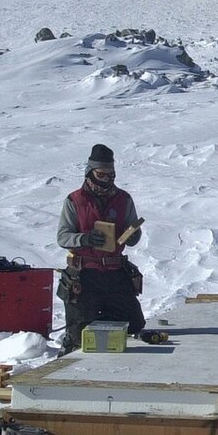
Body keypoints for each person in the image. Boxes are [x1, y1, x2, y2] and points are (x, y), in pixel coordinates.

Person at [55, 144, 145, 354]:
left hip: (115, 272)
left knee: (134, 324)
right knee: (80, 335)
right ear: (90, 173)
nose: (108, 179)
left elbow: (133, 236)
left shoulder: (124, 199)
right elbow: (62, 237)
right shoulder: (74, 201)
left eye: (111, 174)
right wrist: (84, 239)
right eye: (102, 175)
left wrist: (132, 235)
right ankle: (73, 339)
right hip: (85, 274)